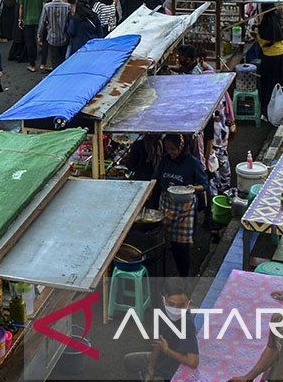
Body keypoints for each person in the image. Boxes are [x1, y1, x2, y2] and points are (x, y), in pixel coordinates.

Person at [123, 278, 199, 381]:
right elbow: (158, 343)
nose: (175, 309)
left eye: (181, 306)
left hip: (171, 369)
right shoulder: (162, 312)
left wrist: (167, 350)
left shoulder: (187, 324)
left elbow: (193, 362)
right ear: (164, 299)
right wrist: (151, 367)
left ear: (188, 302)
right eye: (171, 304)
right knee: (128, 360)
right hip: (159, 360)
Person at [156, 134, 209, 277]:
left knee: (182, 246)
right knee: (168, 243)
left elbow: (204, 185)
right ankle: (174, 271)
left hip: (184, 208)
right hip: (167, 204)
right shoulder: (165, 160)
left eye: (173, 149)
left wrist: (192, 187)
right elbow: (158, 179)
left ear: (181, 147)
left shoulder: (192, 163)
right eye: (168, 149)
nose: (171, 153)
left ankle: (183, 275)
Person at [256, 6, 283, 116]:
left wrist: (256, 36)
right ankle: (277, 105)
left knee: (268, 82)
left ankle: (268, 106)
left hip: (270, 55)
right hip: (280, 53)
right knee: (277, 80)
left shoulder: (267, 22)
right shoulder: (275, 20)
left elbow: (264, 41)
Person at [17, 0, 48, 71]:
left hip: (28, 19)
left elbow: (21, 6)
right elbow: (44, 5)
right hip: (40, 19)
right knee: (43, 41)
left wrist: (20, 19)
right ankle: (43, 64)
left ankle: (32, 64)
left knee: (30, 42)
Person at [39, 0, 72, 71]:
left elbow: (42, 23)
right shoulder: (67, 6)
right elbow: (70, 23)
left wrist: (39, 36)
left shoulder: (47, 6)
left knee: (54, 60)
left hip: (52, 38)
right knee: (62, 59)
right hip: (64, 37)